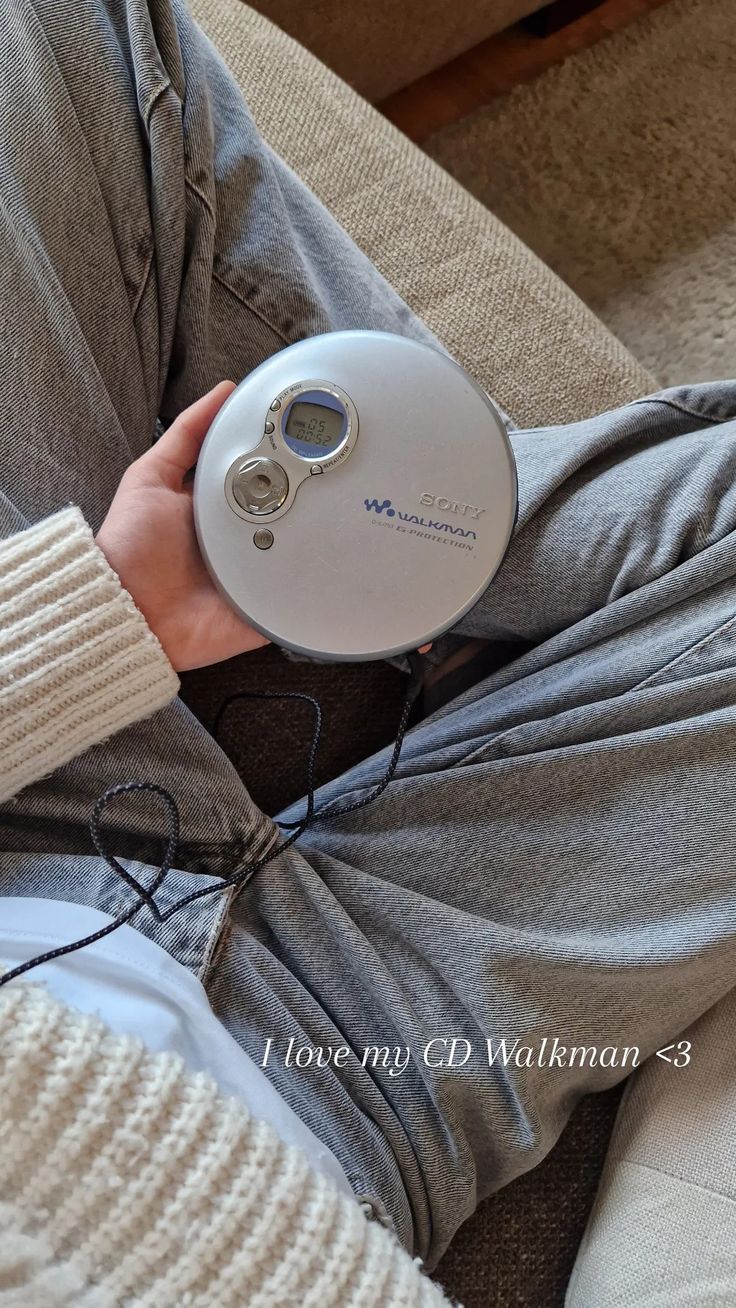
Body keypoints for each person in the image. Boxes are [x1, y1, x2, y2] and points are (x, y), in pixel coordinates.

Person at [2, 0, 736, 1300]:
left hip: (35, 816)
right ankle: (408, 551)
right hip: (325, 1091)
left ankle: (406, 560)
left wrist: (96, 616)